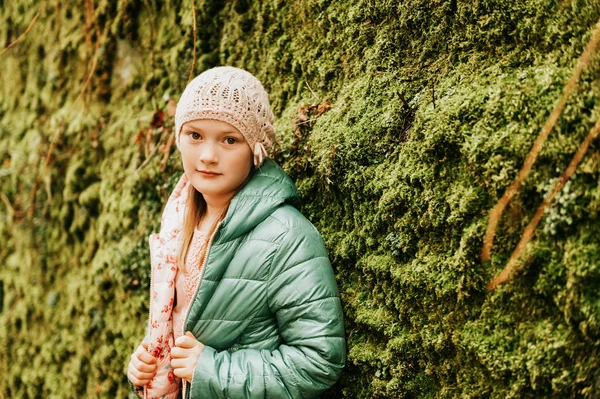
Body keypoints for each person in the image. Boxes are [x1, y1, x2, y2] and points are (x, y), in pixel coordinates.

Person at [126, 66, 346, 399]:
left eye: (229, 139)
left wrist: (210, 370)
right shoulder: (176, 222)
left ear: (255, 150)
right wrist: (145, 365)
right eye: (195, 135)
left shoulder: (286, 236)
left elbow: (319, 360)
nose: (208, 156)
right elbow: (178, 327)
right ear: (178, 139)